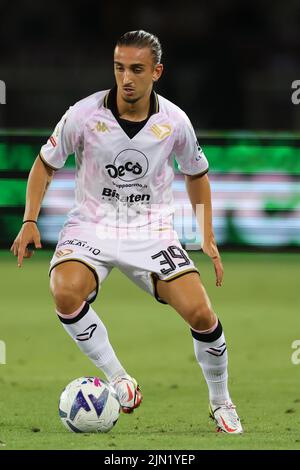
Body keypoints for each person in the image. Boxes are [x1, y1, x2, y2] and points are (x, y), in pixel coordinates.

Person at [11, 30, 242, 433]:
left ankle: (221, 402)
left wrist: (206, 234)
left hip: (150, 231)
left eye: (137, 69)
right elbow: (45, 164)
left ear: (157, 71)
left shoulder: (174, 121)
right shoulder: (83, 114)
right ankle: (118, 377)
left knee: (202, 314)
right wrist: (30, 219)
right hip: (91, 225)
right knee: (65, 292)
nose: (126, 78)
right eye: (119, 68)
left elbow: (197, 174)